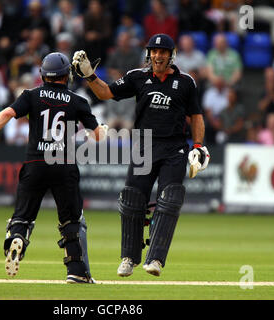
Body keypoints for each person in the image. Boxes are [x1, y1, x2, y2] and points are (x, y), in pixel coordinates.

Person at [72, 34, 210, 277]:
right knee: (132, 200)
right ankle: (129, 258)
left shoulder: (186, 82)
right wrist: (89, 75)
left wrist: (198, 146)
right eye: (154, 52)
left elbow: (196, 116)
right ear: (149, 54)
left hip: (175, 147)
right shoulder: (138, 77)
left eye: (163, 52)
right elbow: (105, 93)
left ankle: (155, 259)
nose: (158, 56)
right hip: (144, 145)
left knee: (170, 200)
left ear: (171, 55)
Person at [0, 52, 107, 284]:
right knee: (71, 221)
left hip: (35, 164)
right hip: (64, 165)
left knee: (22, 216)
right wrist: (105, 130)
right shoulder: (78, 101)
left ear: (43, 74)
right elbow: (98, 136)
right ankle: (77, 271)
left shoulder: (31, 95)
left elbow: (7, 113)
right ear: (66, 76)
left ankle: (17, 238)